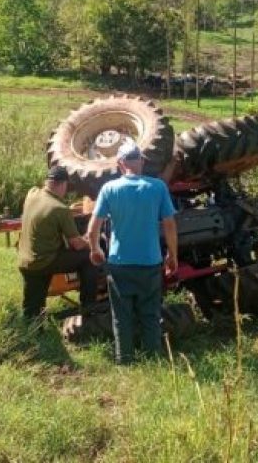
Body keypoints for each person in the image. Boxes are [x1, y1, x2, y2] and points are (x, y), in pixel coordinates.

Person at [87, 143, 178, 364]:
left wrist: (95, 250)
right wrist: (173, 255)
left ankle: (124, 360)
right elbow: (169, 225)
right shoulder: (157, 187)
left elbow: (92, 229)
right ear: (142, 163)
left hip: (119, 263)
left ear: (120, 164)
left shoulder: (109, 189)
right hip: (150, 262)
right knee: (150, 313)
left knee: (121, 316)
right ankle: (153, 358)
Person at [18, 166, 99, 321]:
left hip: (25, 261)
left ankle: (30, 329)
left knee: (32, 309)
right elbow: (76, 244)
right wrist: (93, 243)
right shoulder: (60, 209)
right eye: (66, 187)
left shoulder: (32, 193)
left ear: (48, 182)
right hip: (44, 261)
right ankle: (89, 306)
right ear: (63, 184)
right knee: (89, 258)